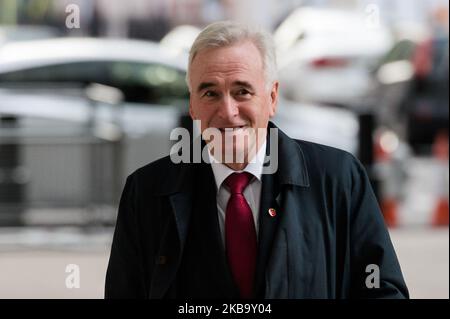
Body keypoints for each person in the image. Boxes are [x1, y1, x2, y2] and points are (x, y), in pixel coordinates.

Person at [105, 21, 409, 299]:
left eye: (242, 91)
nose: (228, 110)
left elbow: (382, 291)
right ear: (193, 106)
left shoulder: (338, 179)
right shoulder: (146, 193)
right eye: (210, 93)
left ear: (272, 98)